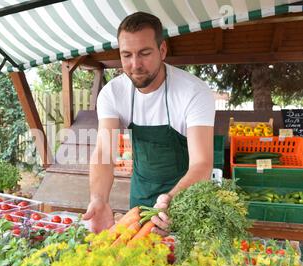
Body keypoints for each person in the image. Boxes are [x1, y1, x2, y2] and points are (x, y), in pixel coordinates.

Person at [83, 12, 215, 236]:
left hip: (187, 200)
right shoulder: (112, 93)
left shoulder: (194, 92)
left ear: (162, 50)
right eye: (127, 55)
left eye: (144, 53)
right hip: (141, 200)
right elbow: (105, 152)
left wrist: (171, 200)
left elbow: (202, 164)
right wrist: (99, 199)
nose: (135, 65)